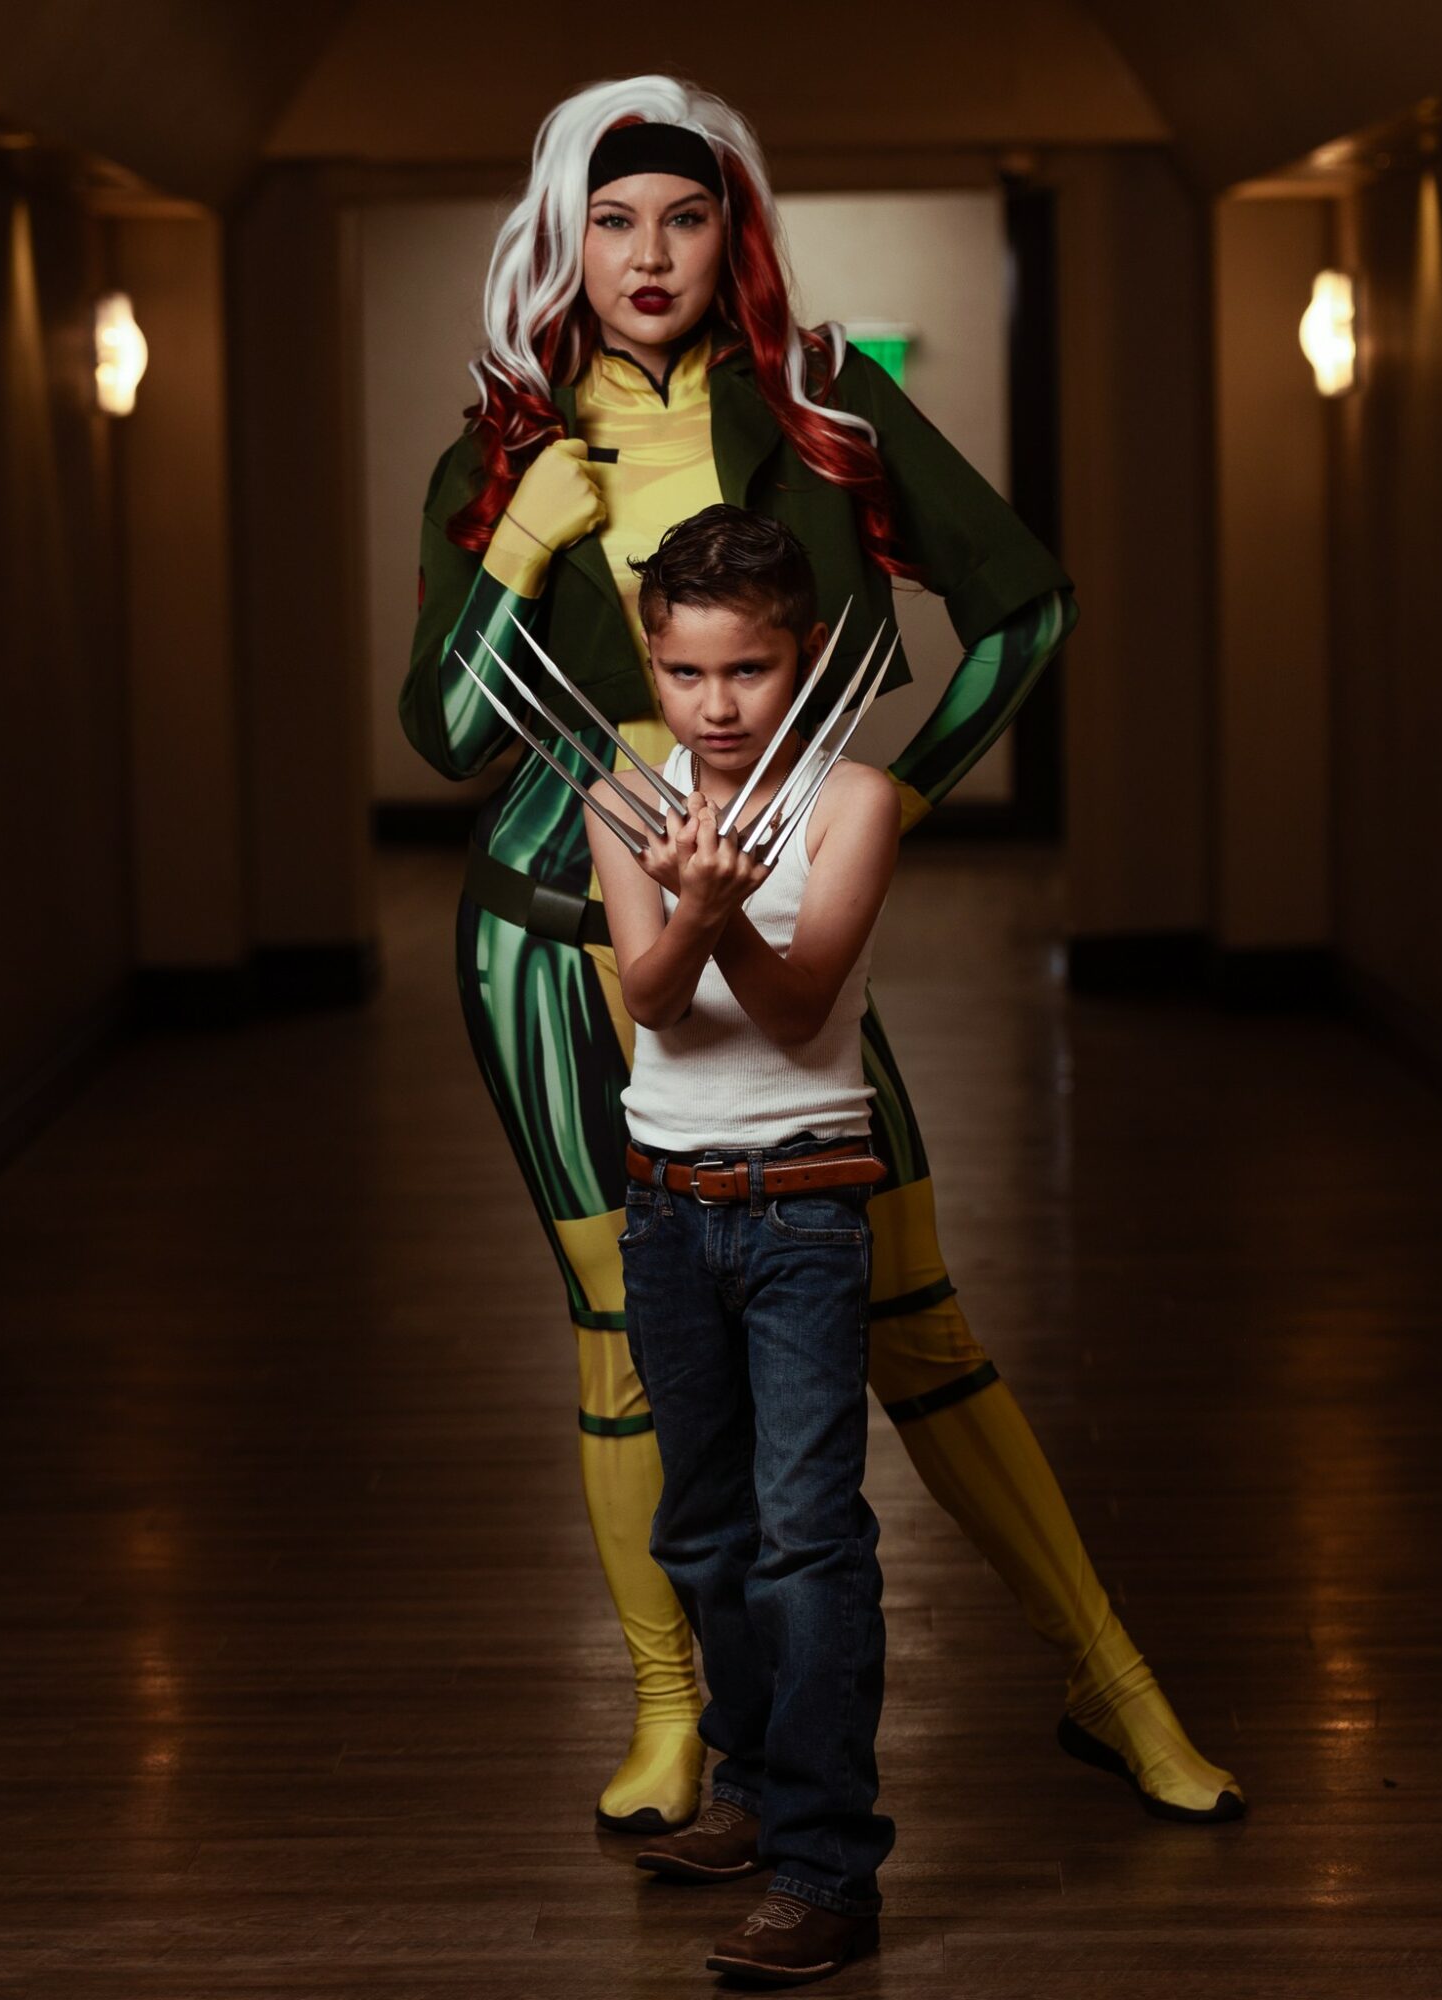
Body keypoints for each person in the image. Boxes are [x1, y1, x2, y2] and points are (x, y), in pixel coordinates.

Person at [399, 72, 1244, 1834]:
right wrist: (530, 536)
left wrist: (906, 804)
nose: (647, 255)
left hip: (786, 932)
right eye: (612, 219)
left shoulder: (827, 400)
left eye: (684, 216)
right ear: (565, 234)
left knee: (914, 1315)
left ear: (735, 232)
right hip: (549, 947)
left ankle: (1113, 1679)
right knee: (621, 1337)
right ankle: (669, 1717)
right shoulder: (501, 447)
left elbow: (1029, 606)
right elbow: (443, 732)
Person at [586, 505, 898, 1984]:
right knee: (703, 1533)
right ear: (654, 665)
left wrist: (723, 918)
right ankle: (761, 1797)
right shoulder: (625, 798)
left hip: (802, 1213)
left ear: (810, 656)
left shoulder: (857, 805)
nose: (714, 710)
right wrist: (689, 911)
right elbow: (651, 998)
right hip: (665, 1210)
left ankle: (831, 1868)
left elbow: (788, 1010)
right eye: (684, 674)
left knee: (807, 1537)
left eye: (751, 671)